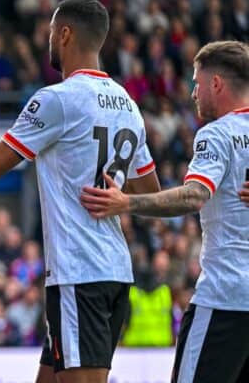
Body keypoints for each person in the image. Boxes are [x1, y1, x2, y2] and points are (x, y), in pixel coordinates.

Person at [0, 0, 160, 383]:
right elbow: (150, 191)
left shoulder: (57, 99)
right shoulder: (127, 105)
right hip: (114, 270)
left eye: (52, 32)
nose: (48, 40)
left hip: (79, 273)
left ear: (66, 34)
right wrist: (121, 199)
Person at [80, 40, 249, 382]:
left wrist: (127, 202)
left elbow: (193, 197)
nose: (192, 93)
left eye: (197, 83)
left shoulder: (218, 134)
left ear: (216, 83)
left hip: (226, 299)